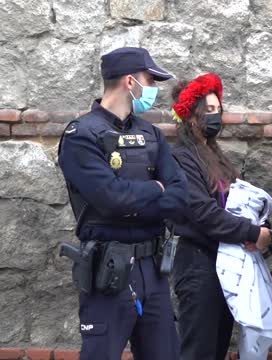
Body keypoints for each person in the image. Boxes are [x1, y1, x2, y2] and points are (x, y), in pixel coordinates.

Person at [58, 47, 187, 360]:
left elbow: (180, 195)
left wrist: (139, 196)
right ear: (130, 82)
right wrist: (156, 188)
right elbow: (110, 199)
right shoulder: (81, 135)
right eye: (150, 80)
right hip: (108, 271)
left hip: (153, 271)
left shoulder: (151, 135)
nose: (154, 88)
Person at [168, 73, 272, 360]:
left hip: (224, 266)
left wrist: (262, 224)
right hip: (198, 267)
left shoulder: (214, 155)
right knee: (199, 350)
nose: (215, 116)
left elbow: (239, 201)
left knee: (217, 348)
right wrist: (251, 234)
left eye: (218, 110)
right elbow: (203, 212)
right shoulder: (181, 158)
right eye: (208, 111)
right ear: (191, 118)